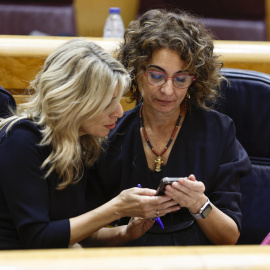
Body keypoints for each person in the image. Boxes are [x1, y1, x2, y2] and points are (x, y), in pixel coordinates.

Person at [87, 9, 252, 246]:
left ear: (195, 80)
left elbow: (229, 237)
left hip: (196, 260)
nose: (168, 90)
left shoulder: (219, 130)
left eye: (181, 79)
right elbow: (82, 232)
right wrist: (122, 224)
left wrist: (200, 205)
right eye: (156, 76)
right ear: (136, 71)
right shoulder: (108, 131)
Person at [0, 38, 180, 250]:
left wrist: (125, 232)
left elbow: (72, 232)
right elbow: (38, 238)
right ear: (75, 101)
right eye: (107, 104)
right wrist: (117, 208)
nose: (119, 112)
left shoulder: (80, 142)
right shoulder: (21, 140)